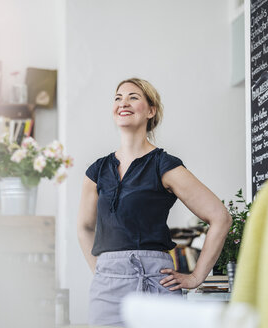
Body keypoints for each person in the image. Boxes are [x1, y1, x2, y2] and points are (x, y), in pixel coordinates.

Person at [77, 78, 232, 327]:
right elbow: (85, 227)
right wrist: (101, 270)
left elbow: (220, 217)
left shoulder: (164, 165)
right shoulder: (97, 170)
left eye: (133, 97)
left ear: (151, 111)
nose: (123, 102)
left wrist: (196, 277)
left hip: (154, 279)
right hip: (107, 286)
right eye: (118, 98)